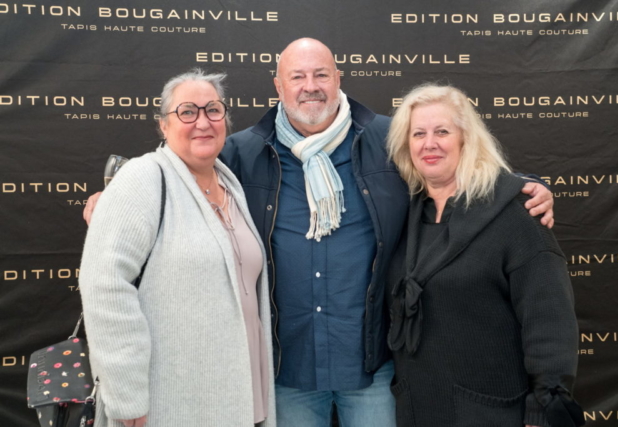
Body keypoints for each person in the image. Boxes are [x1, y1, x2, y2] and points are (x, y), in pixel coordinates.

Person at [83, 38, 555, 427]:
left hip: (372, 368)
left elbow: (451, 166)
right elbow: (183, 162)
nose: (310, 87)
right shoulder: (243, 152)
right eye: (297, 77)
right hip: (286, 373)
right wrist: (116, 197)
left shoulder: (387, 139)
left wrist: (522, 186)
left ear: (338, 79)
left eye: (321, 75)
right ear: (278, 86)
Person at [78, 69, 276, 427]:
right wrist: (126, 396)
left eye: (213, 110)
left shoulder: (230, 185)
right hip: (169, 401)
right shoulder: (143, 178)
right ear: (163, 125)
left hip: (235, 392)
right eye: (187, 112)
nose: (202, 122)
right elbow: (105, 285)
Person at [385, 84, 584, 427]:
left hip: (492, 412)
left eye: (442, 131)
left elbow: (549, 319)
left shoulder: (515, 214)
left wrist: (544, 408)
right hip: (418, 409)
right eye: (418, 133)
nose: (429, 143)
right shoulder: (403, 214)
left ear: (466, 139)